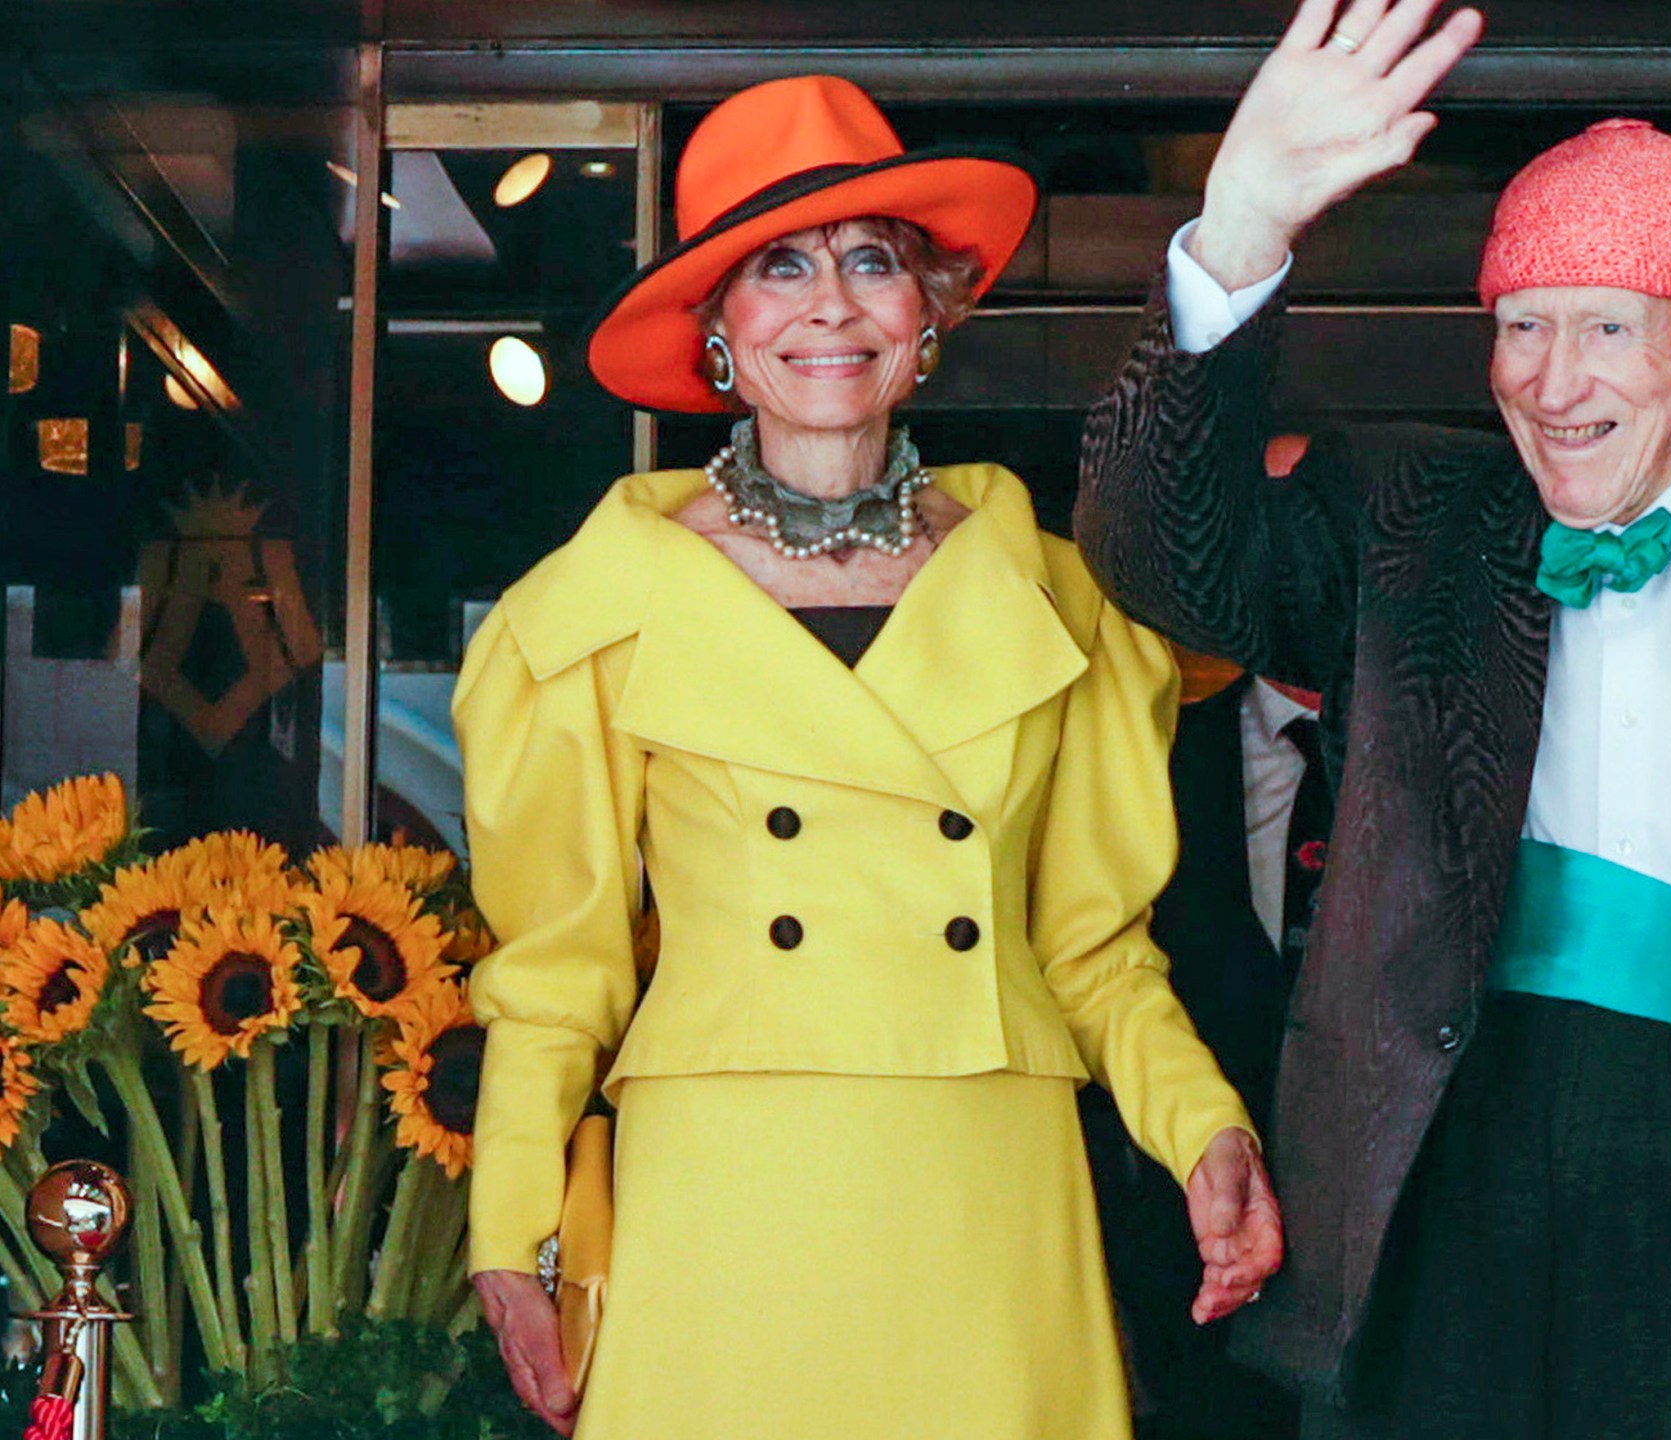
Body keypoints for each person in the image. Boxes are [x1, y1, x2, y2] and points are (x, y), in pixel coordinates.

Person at [1073, 3, 1671, 1438]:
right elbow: (1160, 558)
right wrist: (1239, 230)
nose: (1553, 385)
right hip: (1431, 1172)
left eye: (1607, 331)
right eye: (1523, 329)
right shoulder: (1405, 517)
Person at [455, 74, 1282, 1440]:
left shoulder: (1059, 597)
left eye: (871, 263)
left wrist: (1207, 1131)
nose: (829, 305)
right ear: (718, 329)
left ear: (930, 312)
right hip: (724, 1202)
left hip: (983, 1190)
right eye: (777, 267)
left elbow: (1091, 949)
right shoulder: (594, 612)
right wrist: (512, 1232)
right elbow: (556, 976)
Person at [1085, 641, 1324, 1440]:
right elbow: (1094, 966)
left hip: (1423, 1274)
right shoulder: (1150, 742)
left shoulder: (1462, 747)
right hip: (1198, 1269)